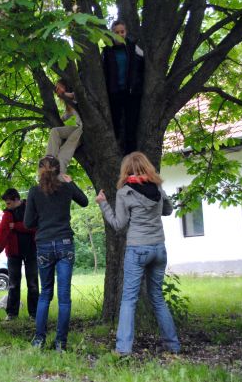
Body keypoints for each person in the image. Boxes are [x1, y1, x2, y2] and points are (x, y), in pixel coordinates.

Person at [95, 151, 180, 355]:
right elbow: (168, 210)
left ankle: (123, 349)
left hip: (138, 249)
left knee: (129, 299)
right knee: (157, 297)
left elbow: (118, 224)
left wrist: (103, 204)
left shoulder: (126, 192)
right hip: (159, 248)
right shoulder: (157, 188)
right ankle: (173, 345)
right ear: (147, 167)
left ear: (126, 170)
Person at [24, 156, 88, 352]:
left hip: (44, 245)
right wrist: (71, 182)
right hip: (65, 243)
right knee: (64, 297)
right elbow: (84, 201)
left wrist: (41, 221)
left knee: (45, 295)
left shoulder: (34, 192)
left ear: (39, 171)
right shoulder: (66, 188)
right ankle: (61, 342)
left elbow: (27, 223)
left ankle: (39, 339)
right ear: (59, 171)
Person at [0, 188, 39, 321]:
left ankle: (34, 313)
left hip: (32, 251)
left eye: (8, 203)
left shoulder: (30, 208)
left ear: (16, 200)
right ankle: (12, 313)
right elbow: (2, 233)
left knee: (33, 283)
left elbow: (35, 226)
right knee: (13, 284)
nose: (6, 206)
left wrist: (17, 226)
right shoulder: (7, 214)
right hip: (14, 253)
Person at [102, 20, 144, 154]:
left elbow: (143, 66)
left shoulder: (133, 48)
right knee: (115, 125)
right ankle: (115, 154)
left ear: (125, 32)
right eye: (116, 32)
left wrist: (138, 85)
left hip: (131, 93)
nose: (120, 34)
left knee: (131, 127)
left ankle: (131, 157)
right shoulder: (107, 51)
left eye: (122, 32)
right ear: (112, 34)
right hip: (115, 93)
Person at [46, 79, 83, 175]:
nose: (57, 90)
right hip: (78, 128)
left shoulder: (76, 94)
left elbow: (77, 95)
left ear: (65, 85)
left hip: (85, 130)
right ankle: (49, 162)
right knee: (55, 131)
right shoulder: (68, 103)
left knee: (63, 153)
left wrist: (65, 94)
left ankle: (58, 174)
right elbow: (67, 115)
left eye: (59, 87)